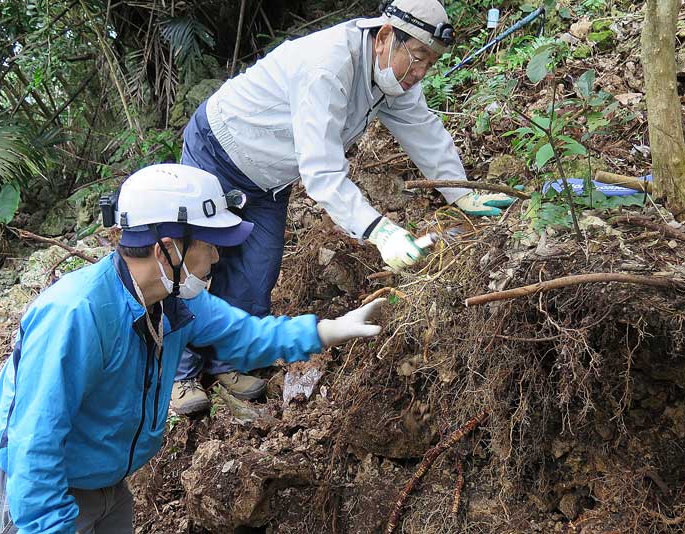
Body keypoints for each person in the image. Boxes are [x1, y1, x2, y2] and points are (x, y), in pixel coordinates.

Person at [0, 164, 385, 534]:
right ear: (168, 249)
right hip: (24, 487)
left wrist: (331, 330)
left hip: (101, 478)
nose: (216, 257)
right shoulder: (77, 314)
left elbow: (247, 337)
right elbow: (35, 443)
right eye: (207, 243)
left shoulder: (174, 300)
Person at [170, 0, 516, 414]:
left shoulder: (392, 78)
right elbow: (322, 171)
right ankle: (179, 374)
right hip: (220, 150)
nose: (421, 72)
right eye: (419, 57)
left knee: (257, 271)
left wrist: (461, 192)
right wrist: (378, 230)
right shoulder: (328, 66)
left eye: (431, 63)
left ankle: (227, 362)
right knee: (188, 263)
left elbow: (424, 131)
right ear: (386, 36)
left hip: (270, 180)